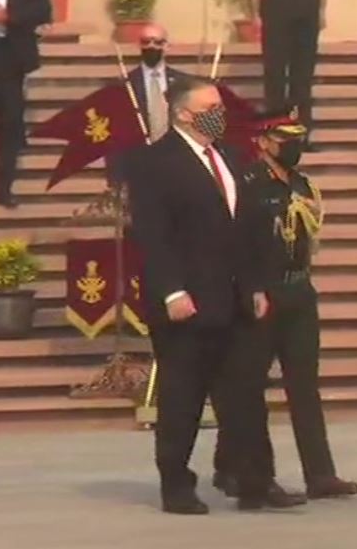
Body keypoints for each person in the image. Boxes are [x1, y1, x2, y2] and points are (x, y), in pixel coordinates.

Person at [127, 77, 299, 514]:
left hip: (237, 298)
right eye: (210, 106)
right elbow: (153, 236)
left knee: (245, 396)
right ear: (183, 112)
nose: (219, 112)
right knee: (182, 398)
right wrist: (172, 291)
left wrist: (257, 284)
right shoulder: (154, 162)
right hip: (187, 303)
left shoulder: (228, 156)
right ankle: (177, 485)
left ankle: (255, 480)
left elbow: (251, 228)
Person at [212, 110, 357, 500]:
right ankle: (236, 469)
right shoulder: (248, 183)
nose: (293, 146)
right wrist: (252, 288)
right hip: (263, 293)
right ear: (263, 142)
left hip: (298, 292)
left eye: (296, 138)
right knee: (248, 386)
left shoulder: (301, 183)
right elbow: (239, 244)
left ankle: (321, 474)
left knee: (304, 387)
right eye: (284, 139)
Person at [246, 0, 329, 131]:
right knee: (275, 69)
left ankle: (301, 131)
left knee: (303, 72)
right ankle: (275, 129)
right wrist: (254, 12)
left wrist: (321, 9)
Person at [0, 0, 50, 207]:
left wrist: (9, 16)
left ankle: (3, 188)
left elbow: (42, 10)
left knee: (12, 121)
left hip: (9, 56)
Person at [107, 23, 190, 185]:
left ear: (167, 46)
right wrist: (115, 179)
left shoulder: (185, 84)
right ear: (138, 45)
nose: (151, 46)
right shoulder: (123, 86)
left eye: (157, 42)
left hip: (179, 166)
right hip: (139, 168)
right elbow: (114, 136)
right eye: (146, 42)